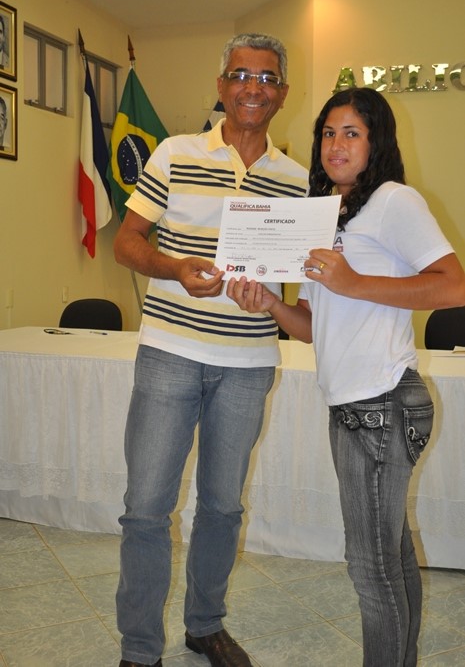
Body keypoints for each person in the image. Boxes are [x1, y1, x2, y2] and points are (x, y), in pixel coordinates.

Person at [227, 87, 465, 667]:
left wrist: (353, 282)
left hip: (382, 400)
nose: (336, 144)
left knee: (370, 568)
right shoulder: (326, 213)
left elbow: (454, 285)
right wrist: (270, 305)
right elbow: (311, 327)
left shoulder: (394, 200)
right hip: (355, 406)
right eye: (328, 133)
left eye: (352, 133)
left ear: (376, 141)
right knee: (391, 558)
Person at [113, 33, 309, 667]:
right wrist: (174, 267)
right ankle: (140, 648)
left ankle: (204, 626)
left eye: (267, 78)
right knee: (147, 509)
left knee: (222, 508)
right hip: (170, 351)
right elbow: (127, 241)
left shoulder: (299, 182)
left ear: (282, 93)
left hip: (248, 364)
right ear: (222, 86)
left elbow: (299, 292)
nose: (254, 87)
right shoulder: (174, 153)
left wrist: (271, 302)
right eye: (241, 74)